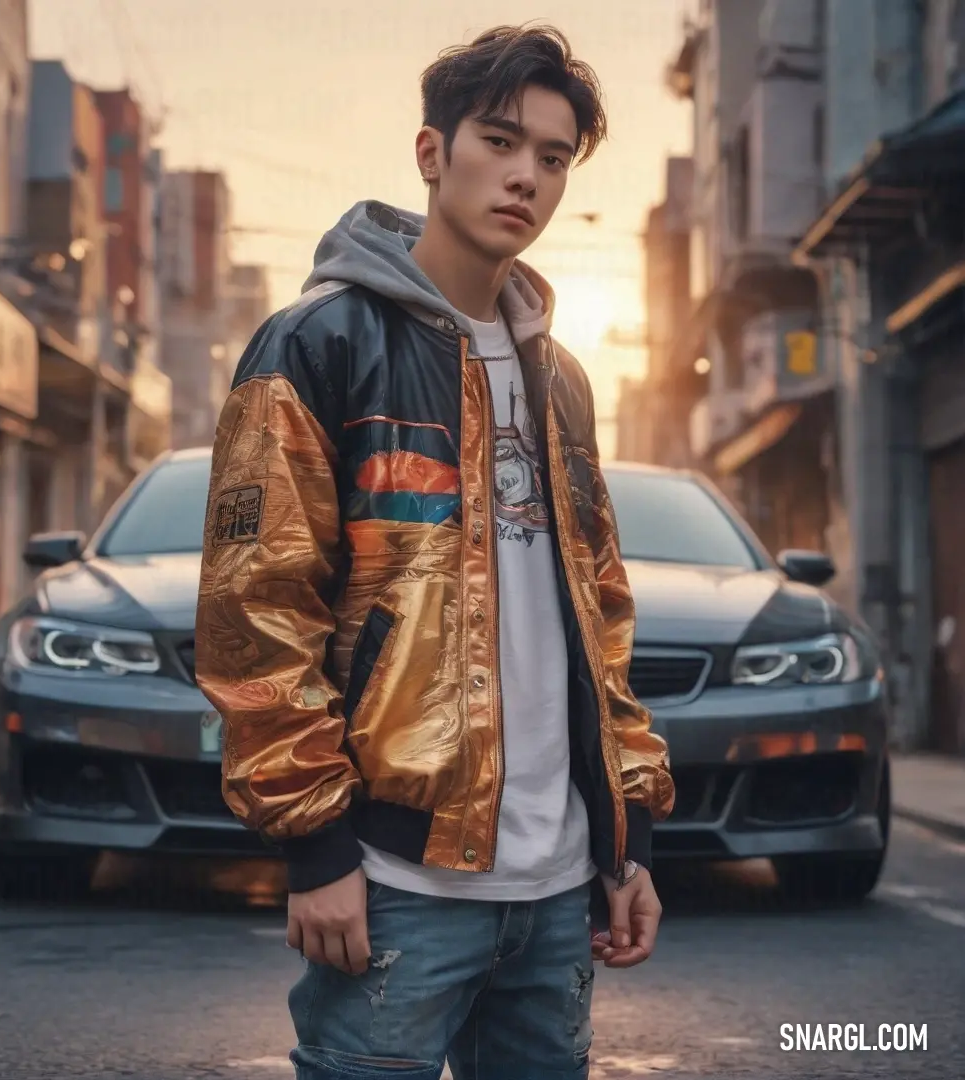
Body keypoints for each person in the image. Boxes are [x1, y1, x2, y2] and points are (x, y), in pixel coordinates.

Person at [195, 22, 674, 1080]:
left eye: (554, 158)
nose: (528, 177)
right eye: (501, 142)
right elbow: (256, 613)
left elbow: (601, 619)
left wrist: (627, 836)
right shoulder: (318, 345)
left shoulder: (564, 383)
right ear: (430, 154)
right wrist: (317, 849)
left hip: (555, 900)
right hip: (394, 883)